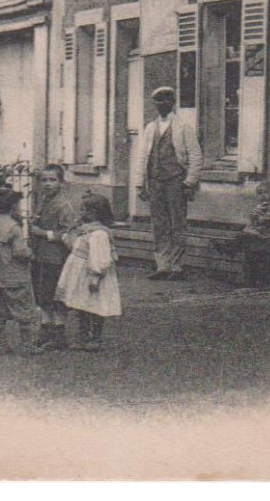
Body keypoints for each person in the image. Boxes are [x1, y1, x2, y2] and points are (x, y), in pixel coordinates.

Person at [132, 86, 202, 280]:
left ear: (173, 103)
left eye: (167, 100)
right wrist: (139, 183)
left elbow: (196, 155)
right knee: (159, 224)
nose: (163, 104)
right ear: (154, 104)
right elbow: (142, 157)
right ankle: (162, 265)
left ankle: (177, 266)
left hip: (176, 181)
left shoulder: (183, 127)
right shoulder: (150, 128)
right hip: (155, 181)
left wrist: (189, 182)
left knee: (177, 223)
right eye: (159, 101)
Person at [55, 193, 121, 352]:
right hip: (78, 274)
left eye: (83, 210)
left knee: (95, 306)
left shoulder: (99, 234)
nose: (80, 213)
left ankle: (95, 337)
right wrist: (69, 234)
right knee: (81, 305)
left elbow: (100, 258)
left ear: (94, 213)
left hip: (91, 274)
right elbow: (75, 247)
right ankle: (82, 336)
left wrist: (95, 277)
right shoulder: (85, 231)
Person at [28, 163, 80, 350]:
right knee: (42, 295)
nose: (48, 184)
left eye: (52, 180)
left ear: (61, 182)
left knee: (54, 295)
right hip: (39, 256)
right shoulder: (43, 202)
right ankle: (45, 330)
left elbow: (69, 234)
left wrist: (42, 232)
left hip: (56, 258)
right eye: (44, 180)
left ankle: (58, 334)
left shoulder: (63, 206)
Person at [0, 188, 39, 355]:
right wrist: (31, 254)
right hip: (14, 275)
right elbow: (19, 251)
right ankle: (27, 345)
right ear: (13, 206)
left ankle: (2, 343)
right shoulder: (13, 227)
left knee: (0, 308)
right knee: (23, 307)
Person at [231, 181, 270, 286]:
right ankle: (230, 249)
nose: (263, 196)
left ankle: (230, 249)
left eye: (266, 193)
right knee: (245, 237)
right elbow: (253, 219)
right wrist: (254, 214)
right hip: (265, 233)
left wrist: (257, 215)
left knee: (246, 238)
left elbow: (267, 219)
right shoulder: (262, 205)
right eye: (260, 193)